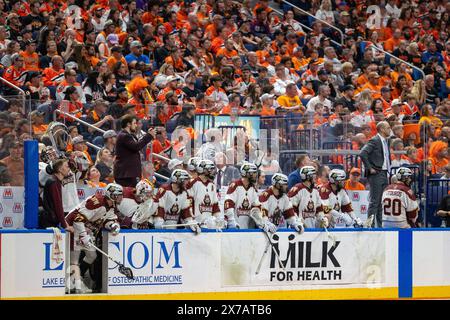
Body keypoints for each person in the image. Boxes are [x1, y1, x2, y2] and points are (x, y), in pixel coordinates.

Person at [65, 183, 122, 293]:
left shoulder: (111, 206)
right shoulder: (96, 202)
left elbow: (108, 220)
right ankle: (73, 285)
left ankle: (78, 278)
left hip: (86, 230)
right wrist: (83, 235)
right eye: (118, 195)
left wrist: (112, 225)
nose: (121, 197)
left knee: (92, 255)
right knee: (74, 260)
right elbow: (77, 219)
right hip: (73, 228)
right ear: (111, 195)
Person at [360, 121, 392, 227]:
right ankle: (371, 225)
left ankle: (379, 225)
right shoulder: (375, 140)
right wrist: (369, 168)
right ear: (382, 129)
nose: (389, 129)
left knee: (381, 202)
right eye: (388, 127)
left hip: (383, 173)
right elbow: (363, 153)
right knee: (375, 201)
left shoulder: (385, 141)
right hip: (377, 174)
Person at [224, 162, 273, 230]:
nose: (256, 176)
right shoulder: (235, 185)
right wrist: (231, 220)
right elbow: (228, 204)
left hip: (248, 230)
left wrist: (263, 222)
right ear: (246, 173)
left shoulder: (253, 189)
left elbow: (257, 208)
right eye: (253, 173)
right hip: (235, 229)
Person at [154, 169, 200, 233]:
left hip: (174, 228)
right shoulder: (164, 190)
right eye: (185, 180)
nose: (187, 182)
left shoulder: (184, 193)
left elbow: (186, 211)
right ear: (178, 180)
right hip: (162, 228)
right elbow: (159, 207)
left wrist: (190, 222)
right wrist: (158, 221)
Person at [114, 115, 155, 187]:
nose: (136, 126)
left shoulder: (129, 135)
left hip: (129, 173)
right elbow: (136, 147)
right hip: (126, 174)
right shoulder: (124, 136)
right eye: (134, 123)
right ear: (128, 124)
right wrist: (149, 136)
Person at [186, 159, 224, 229]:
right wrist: (191, 221)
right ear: (202, 170)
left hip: (209, 225)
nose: (213, 172)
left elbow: (215, 206)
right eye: (210, 169)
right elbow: (187, 205)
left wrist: (219, 219)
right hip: (195, 225)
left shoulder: (212, 184)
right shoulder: (192, 183)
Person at [39, 158, 74, 231]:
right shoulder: (54, 182)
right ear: (60, 169)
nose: (69, 169)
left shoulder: (56, 181)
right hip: (49, 220)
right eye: (67, 166)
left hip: (51, 218)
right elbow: (57, 205)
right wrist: (65, 225)